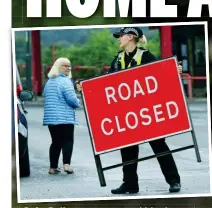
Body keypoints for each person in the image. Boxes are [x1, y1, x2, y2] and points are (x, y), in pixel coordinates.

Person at [76, 27, 183, 194]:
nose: (119, 39)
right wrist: (86, 86)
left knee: (159, 146)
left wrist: (173, 71)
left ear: (131, 37)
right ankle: (130, 184)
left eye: (121, 36)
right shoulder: (118, 59)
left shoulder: (146, 56)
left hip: (147, 113)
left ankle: (174, 181)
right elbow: (106, 83)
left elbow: (161, 76)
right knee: (127, 150)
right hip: (127, 115)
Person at [43, 57, 81, 175]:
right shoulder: (65, 81)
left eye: (69, 66)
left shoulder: (49, 81)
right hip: (65, 118)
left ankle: (53, 167)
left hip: (51, 119)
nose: (68, 68)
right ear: (58, 67)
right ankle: (67, 165)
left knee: (55, 142)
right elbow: (72, 100)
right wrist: (78, 103)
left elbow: (45, 95)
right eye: (65, 66)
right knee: (68, 140)